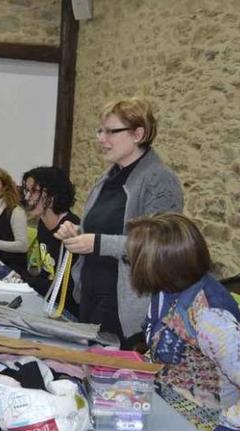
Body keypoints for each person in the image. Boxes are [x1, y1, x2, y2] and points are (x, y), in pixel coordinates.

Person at [127, 213, 240, 431]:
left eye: (136, 257)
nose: (131, 262)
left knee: (99, 425)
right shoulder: (171, 290)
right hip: (167, 395)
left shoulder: (210, 320)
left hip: (197, 425)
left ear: (160, 264)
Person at [55, 97, 183, 348]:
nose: (101, 139)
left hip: (124, 305)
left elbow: (159, 244)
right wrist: (76, 232)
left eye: (111, 131)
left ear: (138, 134)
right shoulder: (108, 178)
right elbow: (102, 229)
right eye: (100, 131)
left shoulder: (159, 180)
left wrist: (97, 243)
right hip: (92, 293)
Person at [22, 166, 80, 317]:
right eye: (26, 190)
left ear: (52, 195)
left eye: (34, 191)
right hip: (49, 301)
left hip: (68, 312)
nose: (27, 197)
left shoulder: (71, 229)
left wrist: (26, 282)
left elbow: (67, 289)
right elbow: (47, 273)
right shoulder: (43, 224)